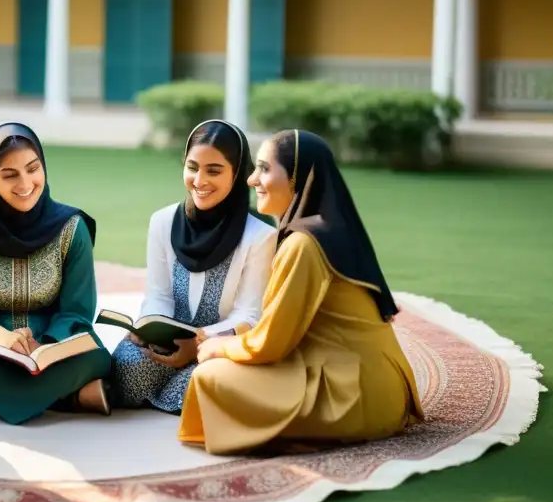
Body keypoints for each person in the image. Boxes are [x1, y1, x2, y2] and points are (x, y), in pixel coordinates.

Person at [178, 129, 423, 454]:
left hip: (355, 394)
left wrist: (220, 346)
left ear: (299, 177)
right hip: (381, 385)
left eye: (265, 168)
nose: (252, 180)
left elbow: (270, 344)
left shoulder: (303, 244)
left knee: (209, 377)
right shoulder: (326, 228)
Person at [0, 122, 113, 424]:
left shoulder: (72, 227)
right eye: (9, 174)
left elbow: (77, 312)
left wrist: (46, 344)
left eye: (32, 168)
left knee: (97, 356)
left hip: (54, 350)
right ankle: (70, 396)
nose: (25, 183)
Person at [110, 120, 275, 413]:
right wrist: (149, 330)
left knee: (205, 383)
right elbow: (158, 295)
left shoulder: (260, 236)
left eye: (214, 170)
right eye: (192, 167)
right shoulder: (162, 222)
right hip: (164, 347)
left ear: (237, 173)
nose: (199, 180)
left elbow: (249, 315)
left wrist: (199, 344)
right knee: (125, 372)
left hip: (217, 349)